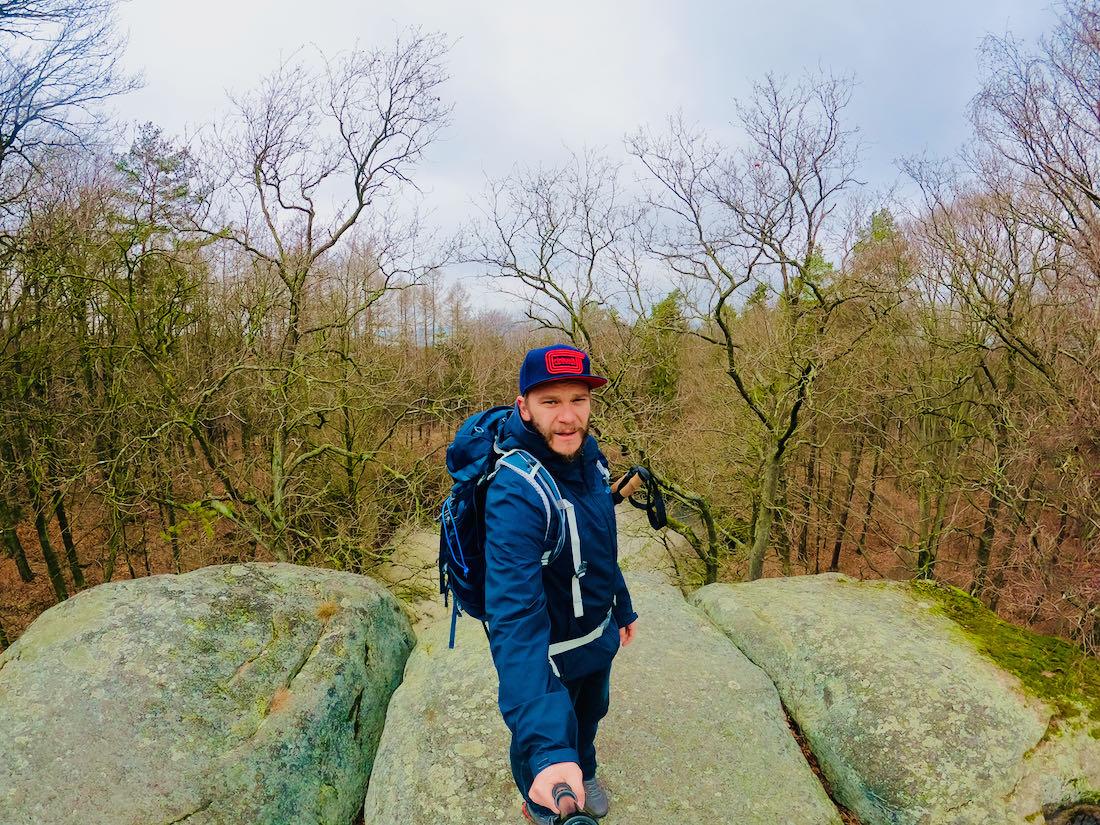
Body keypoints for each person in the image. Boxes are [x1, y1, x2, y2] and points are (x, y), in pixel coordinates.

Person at [484, 343, 641, 824]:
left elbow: (598, 540)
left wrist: (622, 606)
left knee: (590, 714)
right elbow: (513, 623)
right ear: (524, 407)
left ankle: (584, 766)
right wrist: (551, 753)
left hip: (596, 634)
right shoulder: (516, 491)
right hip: (548, 652)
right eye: (551, 402)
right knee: (548, 731)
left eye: (579, 399)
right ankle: (543, 801)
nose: (568, 416)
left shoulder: (591, 459)